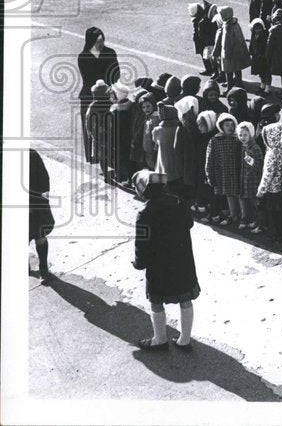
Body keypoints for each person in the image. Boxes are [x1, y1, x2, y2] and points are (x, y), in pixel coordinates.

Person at [131, 169, 200, 352]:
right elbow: (189, 224)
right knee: (185, 298)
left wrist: (139, 263)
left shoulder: (145, 213)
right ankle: (184, 340)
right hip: (182, 259)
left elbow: (142, 244)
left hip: (158, 265)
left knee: (156, 301)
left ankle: (160, 339)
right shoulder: (177, 202)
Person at [77, 27, 121, 164]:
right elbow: (88, 77)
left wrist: (106, 85)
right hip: (89, 95)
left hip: (106, 93)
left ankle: (109, 157)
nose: (101, 44)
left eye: (102, 40)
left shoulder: (110, 52)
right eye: (97, 41)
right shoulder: (83, 56)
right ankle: (94, 157)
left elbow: (116, 73)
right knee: (91, 126)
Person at [28, 149, 56, 282]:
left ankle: (43, 269)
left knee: (40, 236)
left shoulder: (32, 155)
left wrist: (40, 204)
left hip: (35, 205)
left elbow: (44, 180)